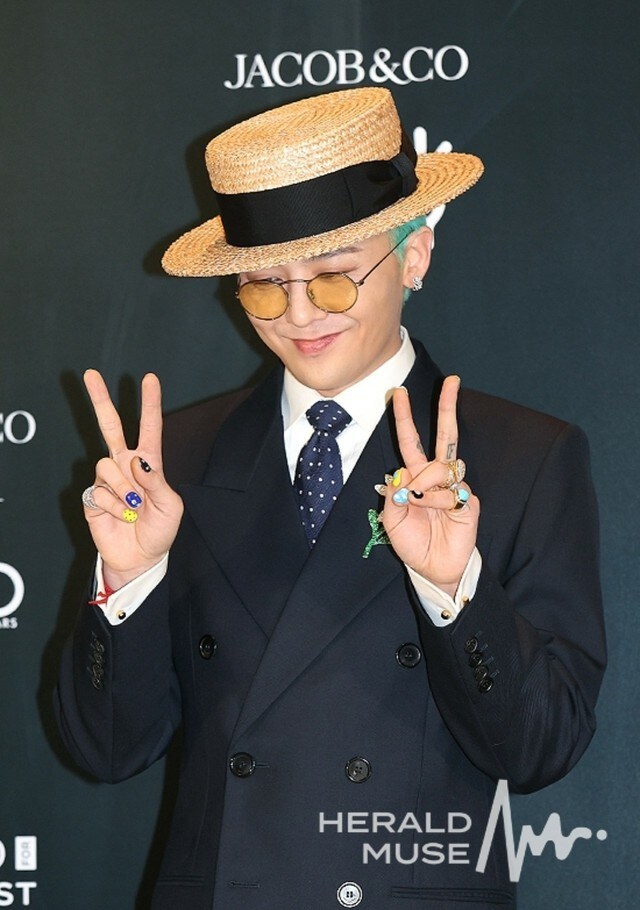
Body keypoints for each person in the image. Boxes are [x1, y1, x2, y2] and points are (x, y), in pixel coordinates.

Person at [56, 88, 605, 910]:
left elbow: (540, 751)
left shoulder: (525, 457)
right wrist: (128, 583)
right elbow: (105, 752)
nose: (300, 313)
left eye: (336, 279)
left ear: (415, 257)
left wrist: (455, 593)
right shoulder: (172, 465)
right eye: (264, 286)